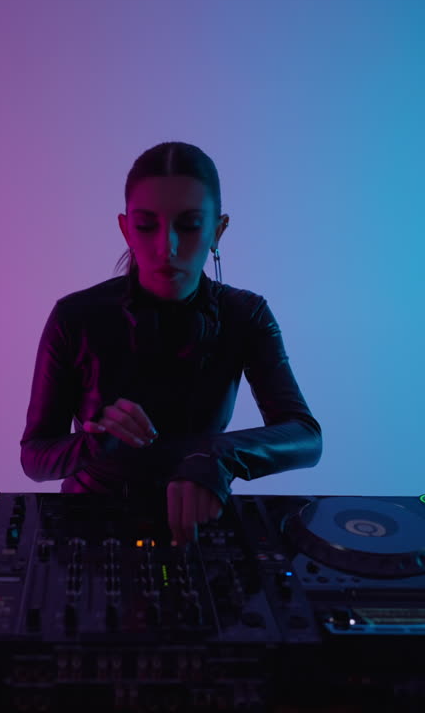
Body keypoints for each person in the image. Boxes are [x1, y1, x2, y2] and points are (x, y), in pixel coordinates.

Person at [19, 141, 322, 545]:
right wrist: (95, 442)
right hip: (89, 527)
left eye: (190, 225)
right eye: (147, 226)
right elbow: (34, 458)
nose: (168, 248)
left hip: (199, 525)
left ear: (218, 230)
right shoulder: (74, 316)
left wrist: (218, 457)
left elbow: (306, 436)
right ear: (126, 229)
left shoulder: (246, 314)